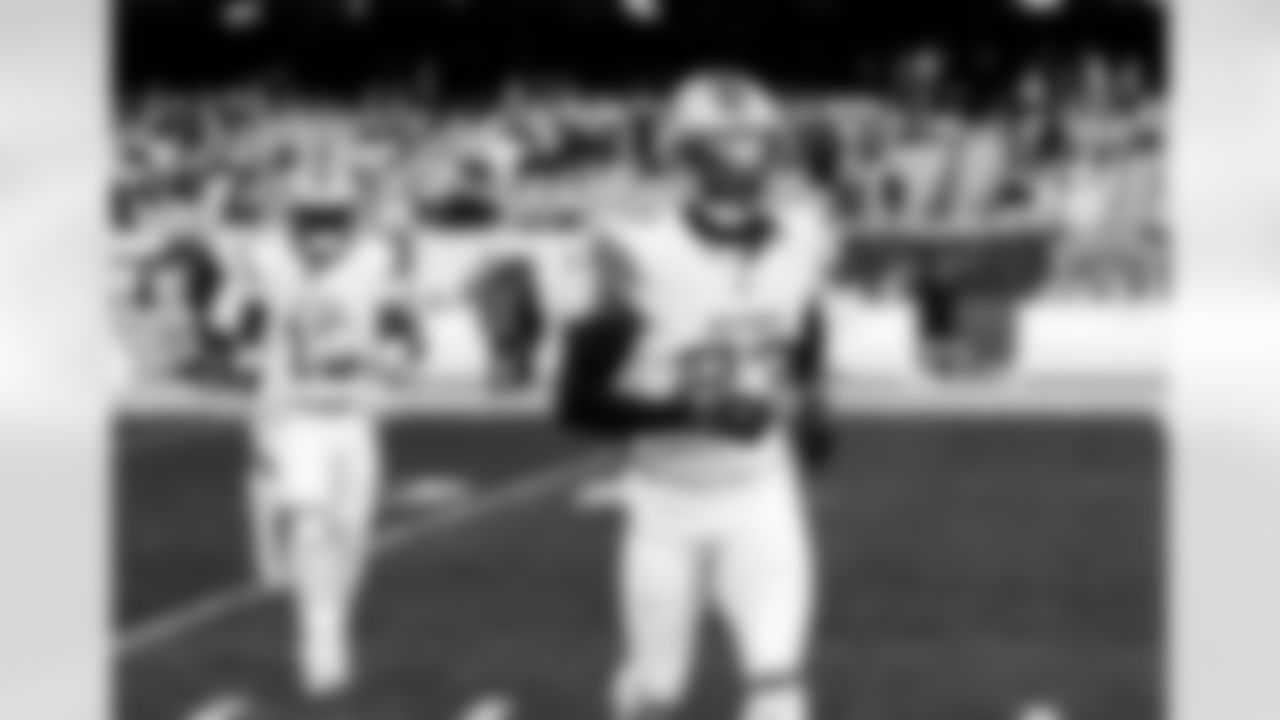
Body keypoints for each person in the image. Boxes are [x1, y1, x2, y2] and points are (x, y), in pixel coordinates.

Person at [554, 70, 837, 720]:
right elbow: (575, 402)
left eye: (759, 142)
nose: (751, 159)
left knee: (779, 687)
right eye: (729, 143)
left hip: (763, 494)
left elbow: (805, 325)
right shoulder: (637, 253)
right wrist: (694, 414)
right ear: (687, 155)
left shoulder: (800, 238)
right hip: (666, 503)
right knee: (659, 693)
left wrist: (812, 400)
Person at [211, 168, 418, 705]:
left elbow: (406, 340)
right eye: (311, 220)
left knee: (351, 535)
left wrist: (377, 357)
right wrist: (246, 342)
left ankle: (330, 622)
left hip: (355, 416)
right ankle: (320, 639)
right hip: (296, 416)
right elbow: (227, 322)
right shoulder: (265, 257)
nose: (321, 234)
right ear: (292, 220)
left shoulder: (378, 259)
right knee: (310, 526)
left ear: (351, 221)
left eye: (332, 220)